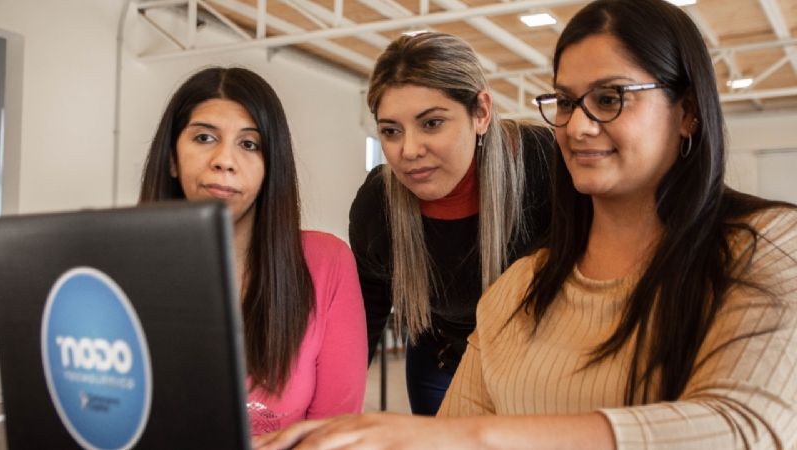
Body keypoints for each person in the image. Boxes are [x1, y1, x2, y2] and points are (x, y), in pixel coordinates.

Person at [255, 0, 797, 448]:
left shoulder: (765, 245)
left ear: (688, 111)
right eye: (564, 101)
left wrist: (472, 437)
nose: (579, 127)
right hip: (444, 341)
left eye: (610, 99)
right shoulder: (514, 291)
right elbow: (374, 316)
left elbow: (747, 427)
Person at [138, 67, 367, 435]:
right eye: (204, 137)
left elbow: (335, 435)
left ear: (270, 166)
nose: (224, 160)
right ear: (171, 159)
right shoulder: (125, 264)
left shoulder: (327, 264)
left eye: (249, 144)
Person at [349, 32, 555, 415]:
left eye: (431, 124)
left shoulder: (543, 166)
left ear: (481, 113)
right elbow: (363, 322)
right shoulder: (378, 206)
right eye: (391, 131)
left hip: (540, 361)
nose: (409, 151)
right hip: (442, 359)